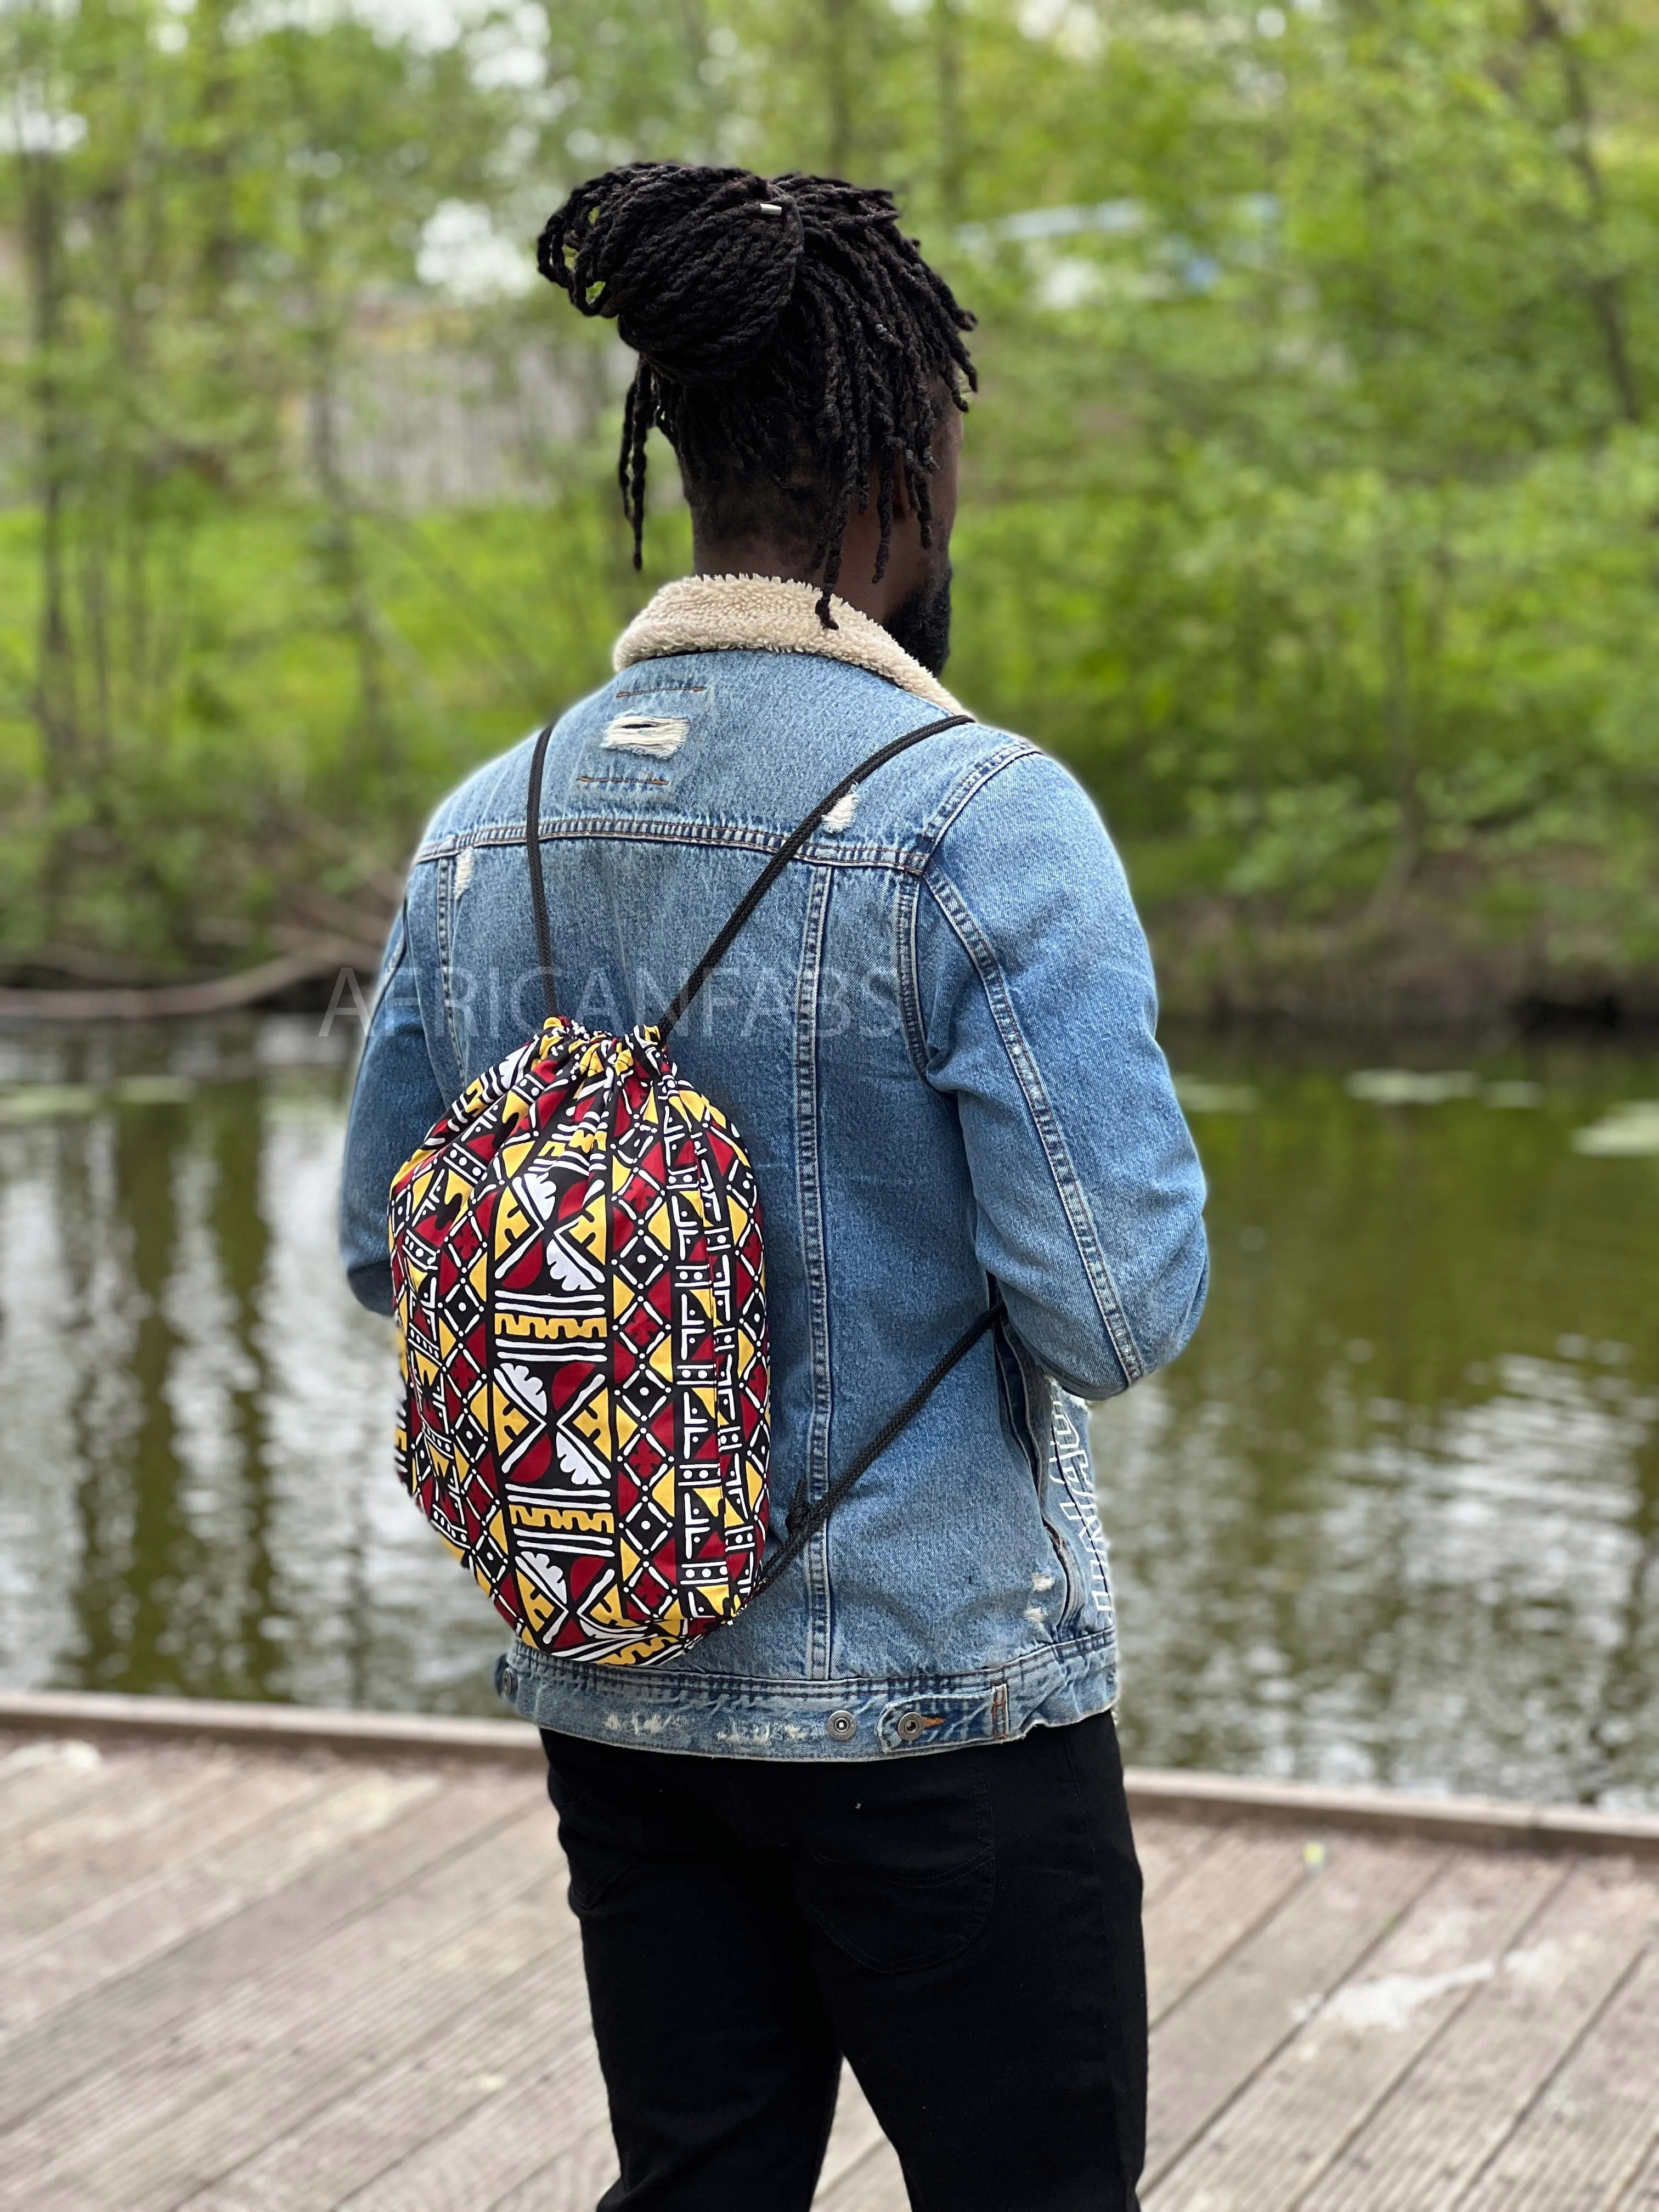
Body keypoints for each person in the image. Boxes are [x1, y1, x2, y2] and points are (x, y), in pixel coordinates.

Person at [340, 162, 1207, 2212]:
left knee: (702, 2184)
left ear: (693, 454)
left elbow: (393, 1247)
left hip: (619, 1680)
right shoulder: (986, 813)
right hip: (942, 1700)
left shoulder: (492, 823)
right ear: (905, 470)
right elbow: (1117, 1308)